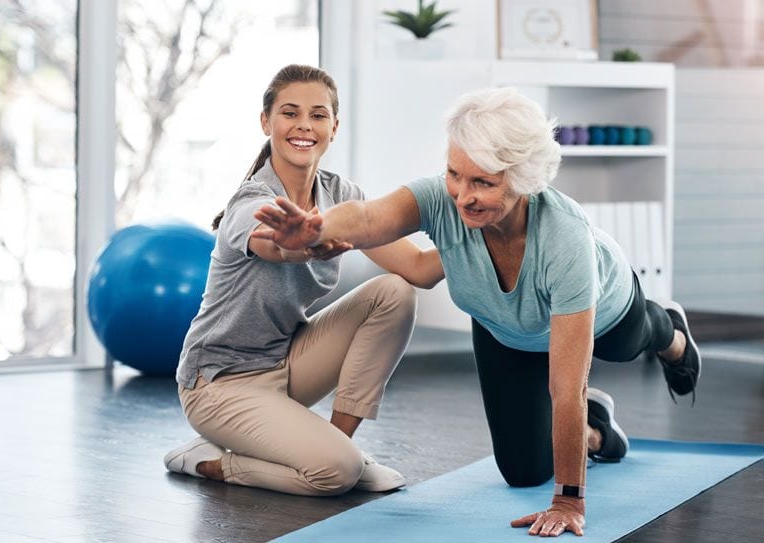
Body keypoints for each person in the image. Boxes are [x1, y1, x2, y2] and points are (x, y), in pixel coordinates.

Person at [253, 86, 701, 537]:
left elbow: (567, 388)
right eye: (454, 174)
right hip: (505, 329)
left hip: (606, 311)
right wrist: (315, 229)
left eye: (483, 182)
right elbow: (371, 219)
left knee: (631, 341)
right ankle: (596, 432)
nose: (462, 196)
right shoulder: (441, 200)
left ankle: (672, 331)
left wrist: (569, 500)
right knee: (524, 472)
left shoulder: (565, 240)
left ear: (524, 179)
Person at [163, 64, 444, 497]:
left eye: (317, 115)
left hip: (286, 363)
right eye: (290, 113)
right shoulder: (252, 201)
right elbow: (274, 245)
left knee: (394, 292)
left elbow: (420, 270)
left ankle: (338, 444)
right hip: (219, 384)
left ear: (334, 126)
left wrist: (483, 230)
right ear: (266, 122)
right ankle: (211, 462)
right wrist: (300, 244)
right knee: (334, 475)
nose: (304, 126)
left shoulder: (342, 195)